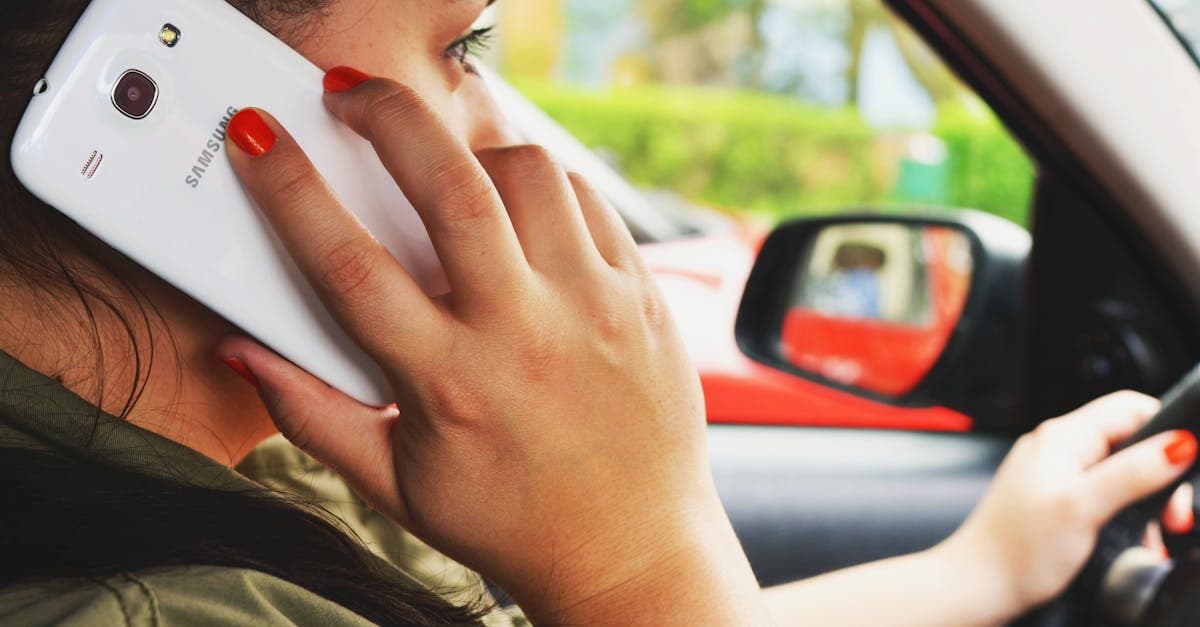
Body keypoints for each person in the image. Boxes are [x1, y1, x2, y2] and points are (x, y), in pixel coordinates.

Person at [0, 1, 1195, 625]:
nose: (512, 141)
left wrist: (976, 570)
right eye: (461, 44)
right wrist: (638, 558)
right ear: (194, 78)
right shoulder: (162, 613)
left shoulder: (263, 464)